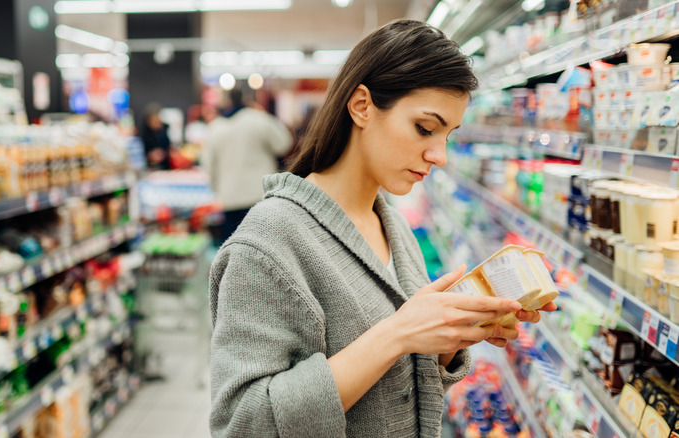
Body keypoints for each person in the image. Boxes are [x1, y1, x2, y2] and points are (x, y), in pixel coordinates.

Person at [208, 19, 557, 438]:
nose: (439, 155)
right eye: (425, 128)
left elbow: (396, 391)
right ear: (361, 106)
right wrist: (398, 333)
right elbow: (243, 425)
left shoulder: (391, 225)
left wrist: (447, 340)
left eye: (448, 134)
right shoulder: (268, 242)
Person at [201, 87, 292, 243]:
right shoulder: (259, 120)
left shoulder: (215, 128)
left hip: (230, 199)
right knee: (265, 249)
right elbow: (284, 143)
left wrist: (218, 189)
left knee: (233, 251)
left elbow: (208, 165)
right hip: (260, 196)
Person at [140, 103, 172, 170]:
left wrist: (165, 153)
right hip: (149, 168)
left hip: (165, 167)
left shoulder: (165, 130)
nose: (156, 123)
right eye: (153, 120)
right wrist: (149, 156)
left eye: (157, 119)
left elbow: (170, 148)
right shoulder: (144, 134)